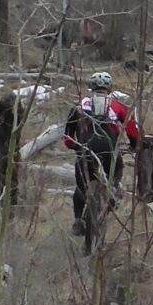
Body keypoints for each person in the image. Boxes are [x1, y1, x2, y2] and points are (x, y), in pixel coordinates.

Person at [62, 71, 139, 228]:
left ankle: (78, 220)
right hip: (109, 149)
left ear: (91, 87)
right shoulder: (117, 106)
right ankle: (113, 191)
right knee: (116, 172)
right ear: (110, 89)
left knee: (81, 187)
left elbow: (68, 137)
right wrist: (133, 145)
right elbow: (132, 129)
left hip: (86, 149)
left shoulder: (79, 106)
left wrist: (76, 147)